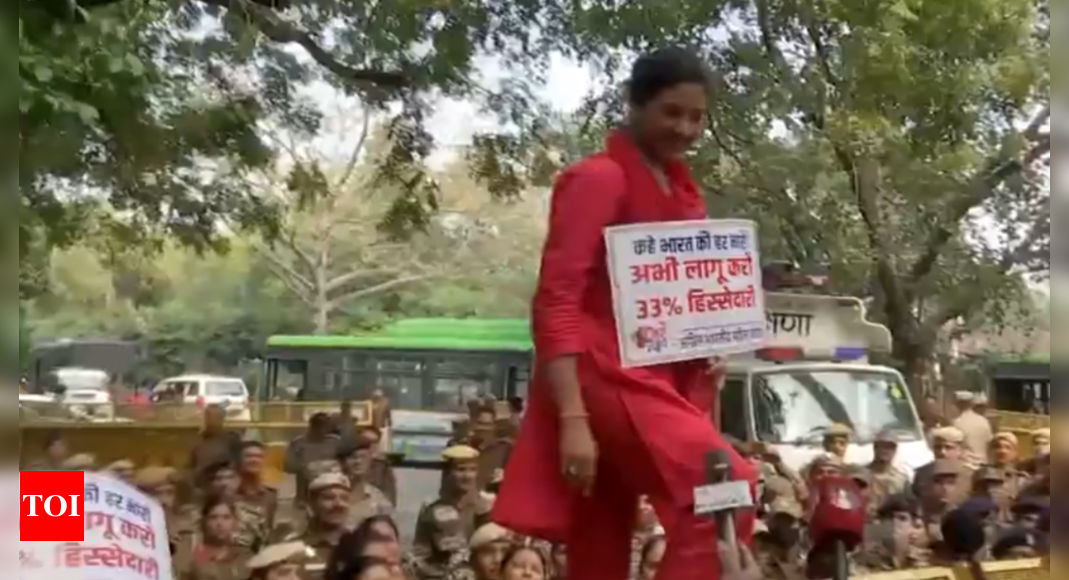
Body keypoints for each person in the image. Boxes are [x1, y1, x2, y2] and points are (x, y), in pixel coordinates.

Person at [493, 47, 756, 580]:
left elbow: (680, 294)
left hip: (655, 372)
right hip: (602, 372)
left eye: (697, 117)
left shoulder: (683, 190)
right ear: (634, 105)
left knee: (601, 531)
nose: (685, 128)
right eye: (671, 112)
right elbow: (556, 299)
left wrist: (706, 344)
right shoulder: (599, 178)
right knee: (726, 489)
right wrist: (572, 418)